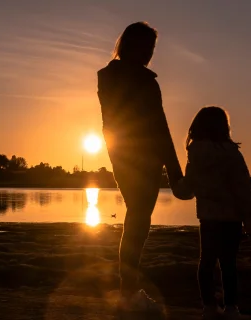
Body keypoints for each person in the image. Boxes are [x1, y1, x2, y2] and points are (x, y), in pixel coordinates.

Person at [97, 21, 186, 314]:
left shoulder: (108, 76)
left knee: (137, 218)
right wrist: (175, 172)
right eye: (147, 47)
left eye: (153, 48)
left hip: (120, 153)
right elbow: (158, 126)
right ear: (132, 45)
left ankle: (128, 289)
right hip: (137, 154)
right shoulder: (143, 81)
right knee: (138, 220)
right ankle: (128, 292)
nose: (150, 53)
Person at [175, 106, 251, 319]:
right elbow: (243, 189)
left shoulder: (196, 154)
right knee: (228, 263)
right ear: (224, 127)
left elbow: (188, 189)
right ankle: (231, 308)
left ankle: (209, 307)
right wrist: (250, 221)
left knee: (206, 262)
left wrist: (176, 184)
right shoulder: (232, 154)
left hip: (209, 217)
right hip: (232, 217)